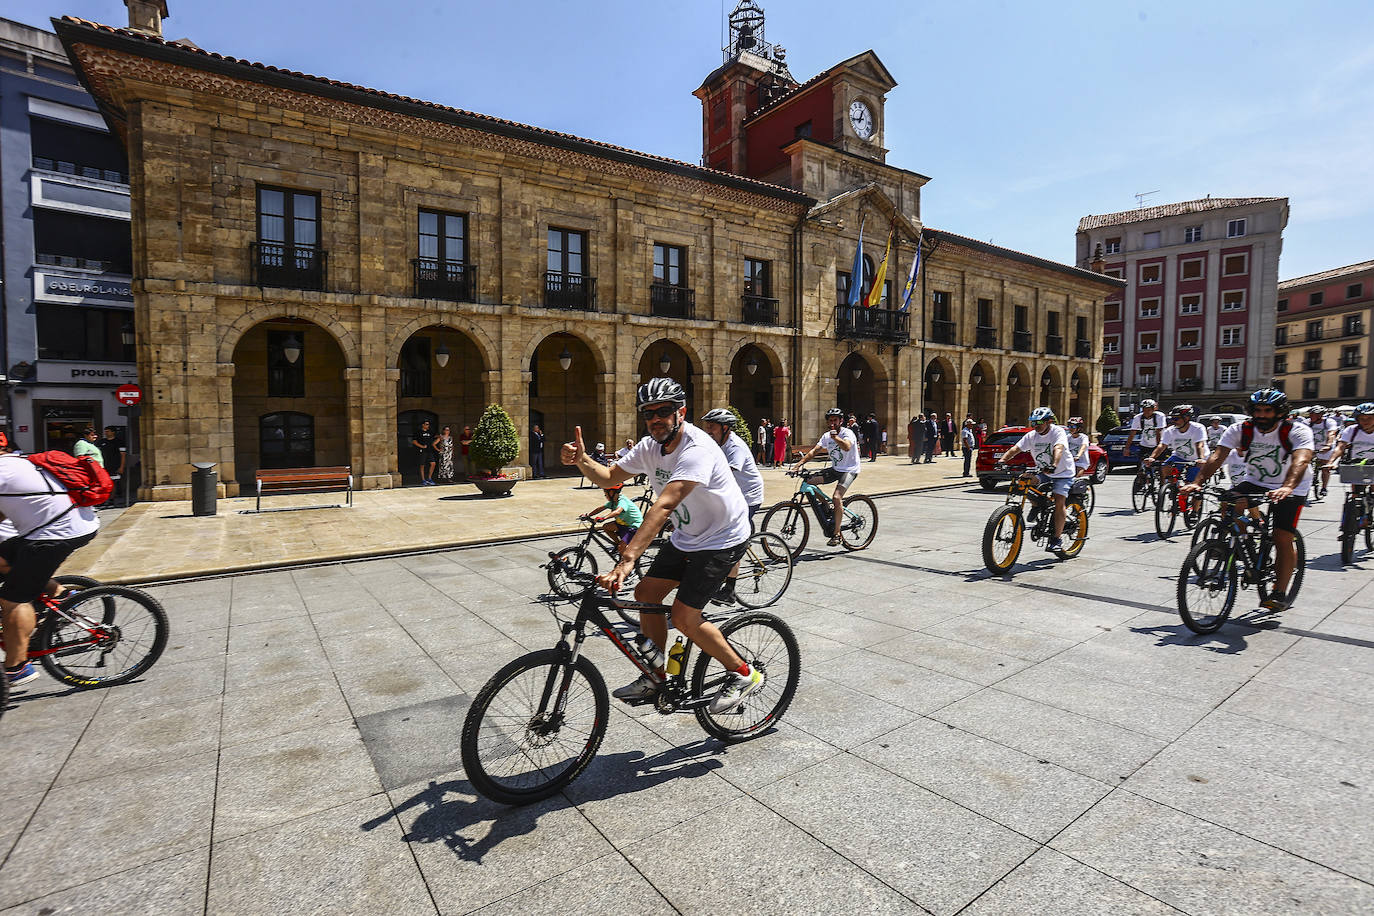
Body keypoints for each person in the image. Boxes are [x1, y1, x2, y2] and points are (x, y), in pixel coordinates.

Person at [561, 378, 762, 714]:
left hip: (722, 537)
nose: (656, 418)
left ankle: (743, 673)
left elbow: (664, 505)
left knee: (685, 618)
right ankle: (656, 676)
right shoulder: (650, 447)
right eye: (648, 413)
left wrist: (626, 561)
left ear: (680, 412)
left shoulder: (697, 449)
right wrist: (582, 460)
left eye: (664, 411)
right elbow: (611, 476)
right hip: (689, 536)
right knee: (646, 596)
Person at [1182, 388, 1314, 612]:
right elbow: (1217, 455)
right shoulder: (1240, 429)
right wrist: (1198, 481)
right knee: (1228, 501)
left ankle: (1279, 592)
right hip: (1256, 480)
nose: (1262, 415)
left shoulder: (1297, 430)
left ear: (1279, 412)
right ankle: (1241, 541)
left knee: (1282, 536)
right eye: (1258, 410)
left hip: (1292, 485)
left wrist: (1287, 487)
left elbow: (1301, 460)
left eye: (1268, 410)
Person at [0, 432, 101, 687]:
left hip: (55, 534)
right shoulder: (17, 462)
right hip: (63, 525)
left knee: (13, 598)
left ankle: (16, 666)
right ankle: (59, 594)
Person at [699, 407, 765, 605]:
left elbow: (724, 474)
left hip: (748, 497)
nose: (708, 430)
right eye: (707, 426)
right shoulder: (717, 443)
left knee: (730, 540)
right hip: (731, 494)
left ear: (725, 428)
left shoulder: (735, 447)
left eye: (712, 426)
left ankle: (729, 590)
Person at [999, 407, 1075, 552]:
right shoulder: (1032, 435)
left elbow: (1058, 448)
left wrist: (1054, 464)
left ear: (1049, 421)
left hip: (1063, 472)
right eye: (1032, 422)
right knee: (1023, 481)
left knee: (1059, 500)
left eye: (1039, 422)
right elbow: (1016, 448)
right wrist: (1002, 460)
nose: (1035, 425)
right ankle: (1036, 505)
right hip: (1044, 471)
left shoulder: (1057, 432)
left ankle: (1056, 539)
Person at [790, 407, 860, 546]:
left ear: (841, 421)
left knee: (836, 497)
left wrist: (836, 437)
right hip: (835, 469)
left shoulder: (848, 433)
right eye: (830, 421)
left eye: (835, 420)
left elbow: (846, 447)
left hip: (849, 470)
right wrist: (798, 465)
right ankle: (826, 504)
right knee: (809, 482)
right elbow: (814, 451)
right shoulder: (826, 436)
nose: (832, 423)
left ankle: (837, 534)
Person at [1143, 405, 1208, 485]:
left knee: (1190, 484)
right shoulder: (1170, 430)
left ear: (1186, 418)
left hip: (1196, 458)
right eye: (1172, 418)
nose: (1173, 421)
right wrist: (1152, 458)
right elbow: (1162, 445)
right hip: (1179, 456)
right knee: (1165, 466)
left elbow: (1200, 445)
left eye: (1176, 418)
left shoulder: (1198, 428)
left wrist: (1200, 459)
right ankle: (1172, 486)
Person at [588, 483, 643, 561]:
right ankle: (618, 544)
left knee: (621, 547)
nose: (605, 496)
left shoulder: (622, 501)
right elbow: (600, 508)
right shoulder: (613, 501)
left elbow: (617, 512)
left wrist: (604, 517)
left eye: (605, 494)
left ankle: (626, 564)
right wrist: (588, 515)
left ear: (611, 492)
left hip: (633, 526)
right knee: (606, 527)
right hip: (623, 524)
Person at [1124, 399, 1166, 473]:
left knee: (1162, 467)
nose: (1146, 412)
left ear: (1154, 409)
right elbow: (1132, 433)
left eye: (1149, 410)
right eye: (1144, 409)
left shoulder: (1159, 416)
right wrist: (1127, 448)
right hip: (1145, 444)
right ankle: (1143, 480)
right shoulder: (1138, 418)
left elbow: (1158, 432)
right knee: (1142, 467)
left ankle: (1162, 483)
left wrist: (1158, 449)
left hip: (1159, 444)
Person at [1308, 405, 1339, 498]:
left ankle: (1324, 488)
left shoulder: (1328, 422)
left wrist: (1328, 445)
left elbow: (1332, 433)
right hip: (1313, 447)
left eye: (1312, 414)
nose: (1310, 416)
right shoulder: (1308, 423)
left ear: (1319, 415)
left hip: (1326, 447)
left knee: (1325, 468)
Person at [98, 426, 126, 505]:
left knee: (113, 482)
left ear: (113, 432)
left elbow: (123, 455)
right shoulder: (102, 442)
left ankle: (111, 499)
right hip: (104, 466)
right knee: (103, 483)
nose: (106, 433)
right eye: (105, 431)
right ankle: (103, 499)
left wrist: (121, 467)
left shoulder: (119, 442)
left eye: (108, 431)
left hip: (115, 466)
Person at [412, 420, 437, 485]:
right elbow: (414, 442)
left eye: (428, 424)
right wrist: (422, 446)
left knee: (433, 463)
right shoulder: (418, 432)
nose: (427, 425)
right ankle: (423, 480)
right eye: (426, 424)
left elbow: (435, 436)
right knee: (422, 465)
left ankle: (429, 478)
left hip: (430, 450)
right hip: (422, 451)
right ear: (423, 425)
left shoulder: (430, 432)